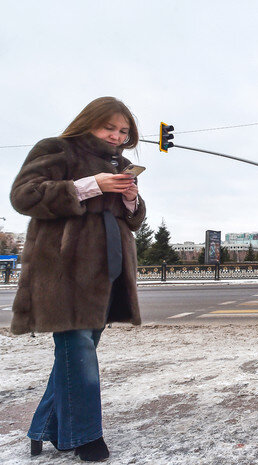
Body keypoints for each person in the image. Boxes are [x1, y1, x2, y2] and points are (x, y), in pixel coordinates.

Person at [9, 97, 146, 460]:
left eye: (124, 131)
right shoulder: (56, 148)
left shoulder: (121, 164)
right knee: (78, 352)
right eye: (110, 128)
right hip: (63, 269)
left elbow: (133, 220)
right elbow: (23, 195)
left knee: (75, 354)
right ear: (88, 122)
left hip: (109, 268)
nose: (117, 136)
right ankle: (85, 438)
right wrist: (89, 185)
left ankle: (42, 429)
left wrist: (131, 199)